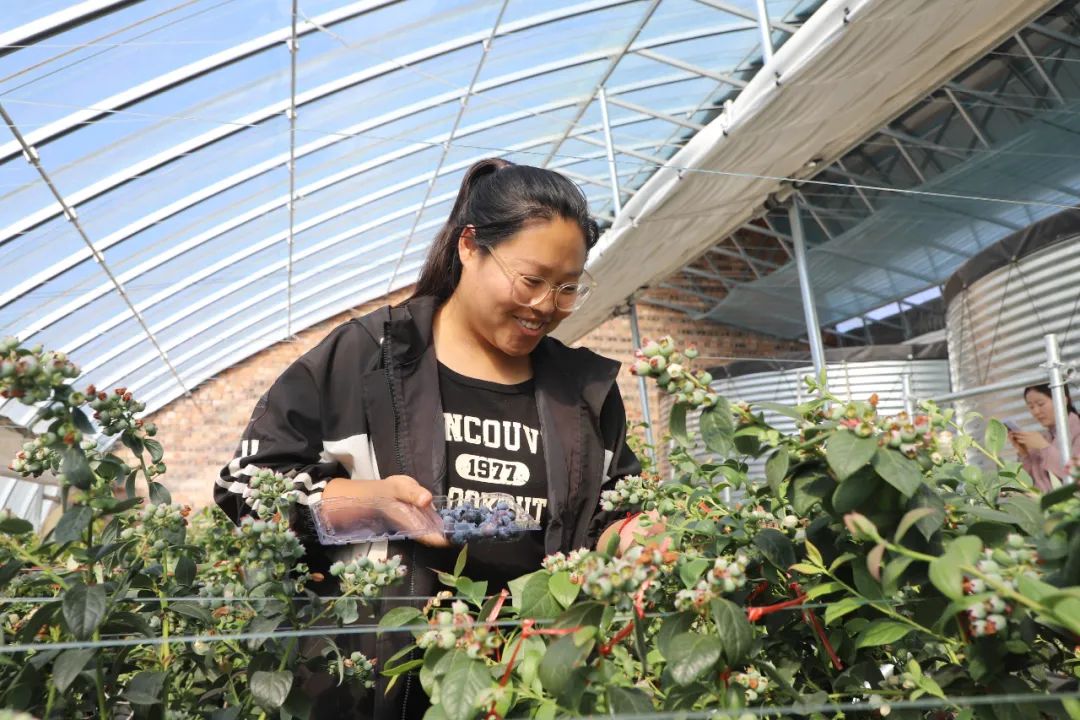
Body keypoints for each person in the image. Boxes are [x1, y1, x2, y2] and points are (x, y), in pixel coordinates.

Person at [216, 158, 649, 718]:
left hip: (536, 686)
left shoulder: (582, 392)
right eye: (531, 279)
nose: (546, 306)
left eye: (567, 288)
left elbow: (613, 511)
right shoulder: (370, 359)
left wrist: (643, 535)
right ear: (471, 246)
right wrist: (368, 505)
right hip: (376, 686)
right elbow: (245, 485)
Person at [1009, 383, 1080, 492]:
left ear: (1063, 400)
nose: (1036, 412)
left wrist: (1044, 447)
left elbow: (1076, 474)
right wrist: (1023, 453)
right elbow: (1029, 483)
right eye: (1031, 407)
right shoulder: (1046, 437)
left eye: (1040, 404)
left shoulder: (1077, 430)